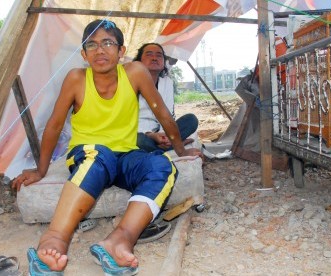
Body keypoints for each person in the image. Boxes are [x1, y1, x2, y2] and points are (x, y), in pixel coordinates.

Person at [12, 19, 201, 275]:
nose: (100, 50)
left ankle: (120, 240)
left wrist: (180, 152)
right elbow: (55, 125)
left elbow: (164, 115)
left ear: (121, 51)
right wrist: (40, 170)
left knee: (160, 165)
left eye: (108, 43)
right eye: (92, 45)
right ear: (84, 54)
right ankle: (54, 239)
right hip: (89, 155)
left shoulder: (134, 72)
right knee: (100, 155)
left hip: (125, 156)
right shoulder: (77, 78)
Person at [133, 43, 198, 152]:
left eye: (159, 55)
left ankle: (164, 146)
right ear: (139, 61)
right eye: (149, 55)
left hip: (159, 133)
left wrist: (165, 136)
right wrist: (151, 135)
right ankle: (172, 146)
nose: (154, 58)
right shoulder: (131, 81)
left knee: (191, 120)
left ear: (163, 62)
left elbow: (168, 115)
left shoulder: (167, 83)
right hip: (138, 134)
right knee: (139, 141)